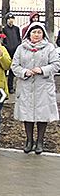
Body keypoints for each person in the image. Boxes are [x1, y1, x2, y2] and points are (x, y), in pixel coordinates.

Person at [11, 22, 60, 154]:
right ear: (29, 34)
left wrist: (42, 70)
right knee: (27, 115)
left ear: (43, 34)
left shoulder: (49, 48)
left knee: (42, 115)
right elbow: (14, 66)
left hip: (43, 86)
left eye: (39, 32)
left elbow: (56, 65)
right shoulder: (21, 48)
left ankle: (40, 141)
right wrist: (25, 72)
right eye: (34, 32)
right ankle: (29, 140)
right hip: (26, 86)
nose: (36, 35)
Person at [2, 13, 21, 93]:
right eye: (9, 19)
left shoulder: (16, 29)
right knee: (4, 70)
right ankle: (4, 87)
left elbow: (18, 38)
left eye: (12, 18)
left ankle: (10, 87)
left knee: (12, 71)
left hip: (15, 51)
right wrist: (6, 47)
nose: (11, 20)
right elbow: (3, 40)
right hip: (7, 51)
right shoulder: (4, 29)